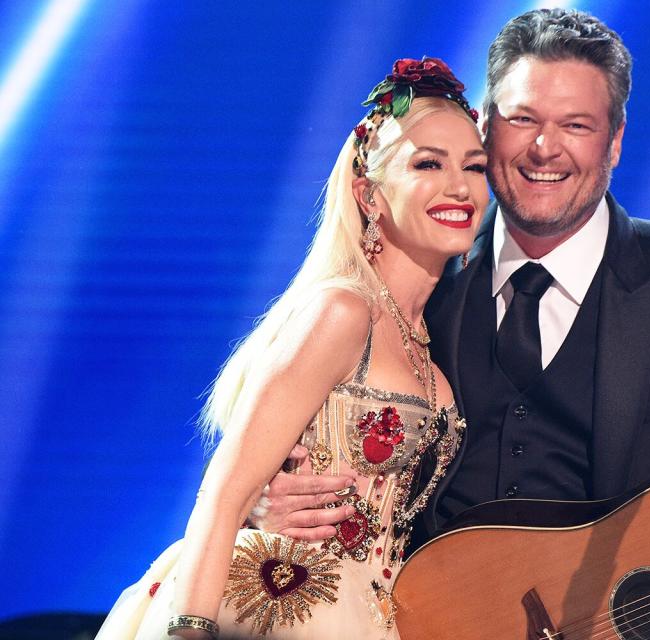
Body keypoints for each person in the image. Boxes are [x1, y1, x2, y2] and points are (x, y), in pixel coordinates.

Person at [264, 8, 650, 639]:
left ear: (614, 141)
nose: (544, 148)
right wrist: (273, 502)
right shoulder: (415, 284)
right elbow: (300, 447)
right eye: (522, 119)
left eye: (575, 125)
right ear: (486, 128)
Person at [95, 57, 488, 639]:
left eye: (474, 166)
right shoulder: (343, 310)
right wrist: (190, 630)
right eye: (427, 163)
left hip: (377, 615)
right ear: (369, 194)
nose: (459, 186)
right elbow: (225, 493)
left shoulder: (426, 336)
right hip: (275, 608)